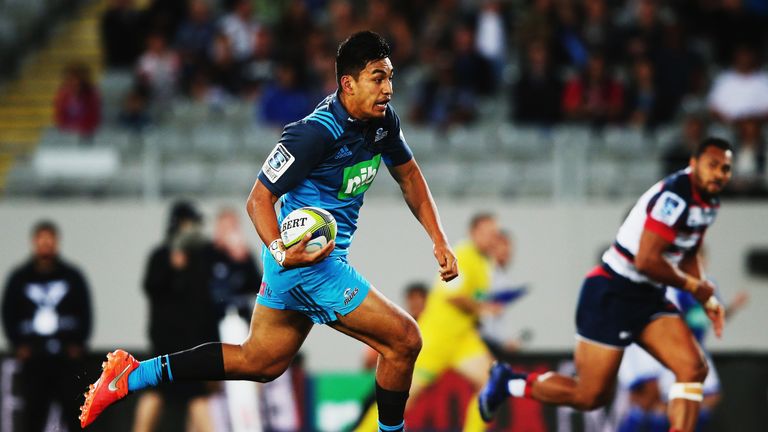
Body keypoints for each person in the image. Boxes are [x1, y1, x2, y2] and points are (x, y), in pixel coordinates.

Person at [79, 31, 458, 432]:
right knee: (404, 339)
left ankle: (132, 375)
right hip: (306, 261)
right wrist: (280, 249)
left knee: (260, 361)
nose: (388, 89)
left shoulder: (383, 124)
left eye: (390, 77)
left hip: (304, 260)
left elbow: (410, 177)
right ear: (348, 83)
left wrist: (439, 238)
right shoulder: (314, 132)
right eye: (378, 78)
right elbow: (258, 200)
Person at [479, 137, 734, 432]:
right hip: (612, 293)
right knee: (590, 396)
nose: (719, 174)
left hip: (647, 295)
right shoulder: (674, 197)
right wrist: (693, 287)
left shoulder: (709, 200)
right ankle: (510, 382)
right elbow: (646, 261)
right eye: (712, 165)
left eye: (725, 168)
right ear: (693, 164)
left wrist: (707, 299)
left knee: (693, 368)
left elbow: (688, 250)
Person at [357, 214, 503, 432]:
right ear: (473, 233)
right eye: (487, 233)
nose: (492, 238)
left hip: (463, 339)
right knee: (401, 397)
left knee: (493, 383)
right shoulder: (462, 254)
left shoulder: (485, 262)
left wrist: (483, 307)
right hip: (435, 339)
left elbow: (476, 297)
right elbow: (453, 295)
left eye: (495, 234)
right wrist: (483, 308)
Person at [132, 201, 220, 432]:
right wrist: (173, 268)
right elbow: (151, 287)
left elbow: (207, 304)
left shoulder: (202, 257)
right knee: (156, 393)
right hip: (166, 342)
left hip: (194, 343)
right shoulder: (161, 256)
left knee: (197, 397)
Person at [2, 220, 92, 431]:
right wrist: (18, 345)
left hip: (66, 361)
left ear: (56, 242)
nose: (46, 245)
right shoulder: (19, 278)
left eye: (49, 240)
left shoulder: (72, 276)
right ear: (34, 242)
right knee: (33, 416)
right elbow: (8, 314)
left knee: (76, 415)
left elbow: (85, 312)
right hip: (34, 361)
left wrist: (78, 344)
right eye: (41, 240)